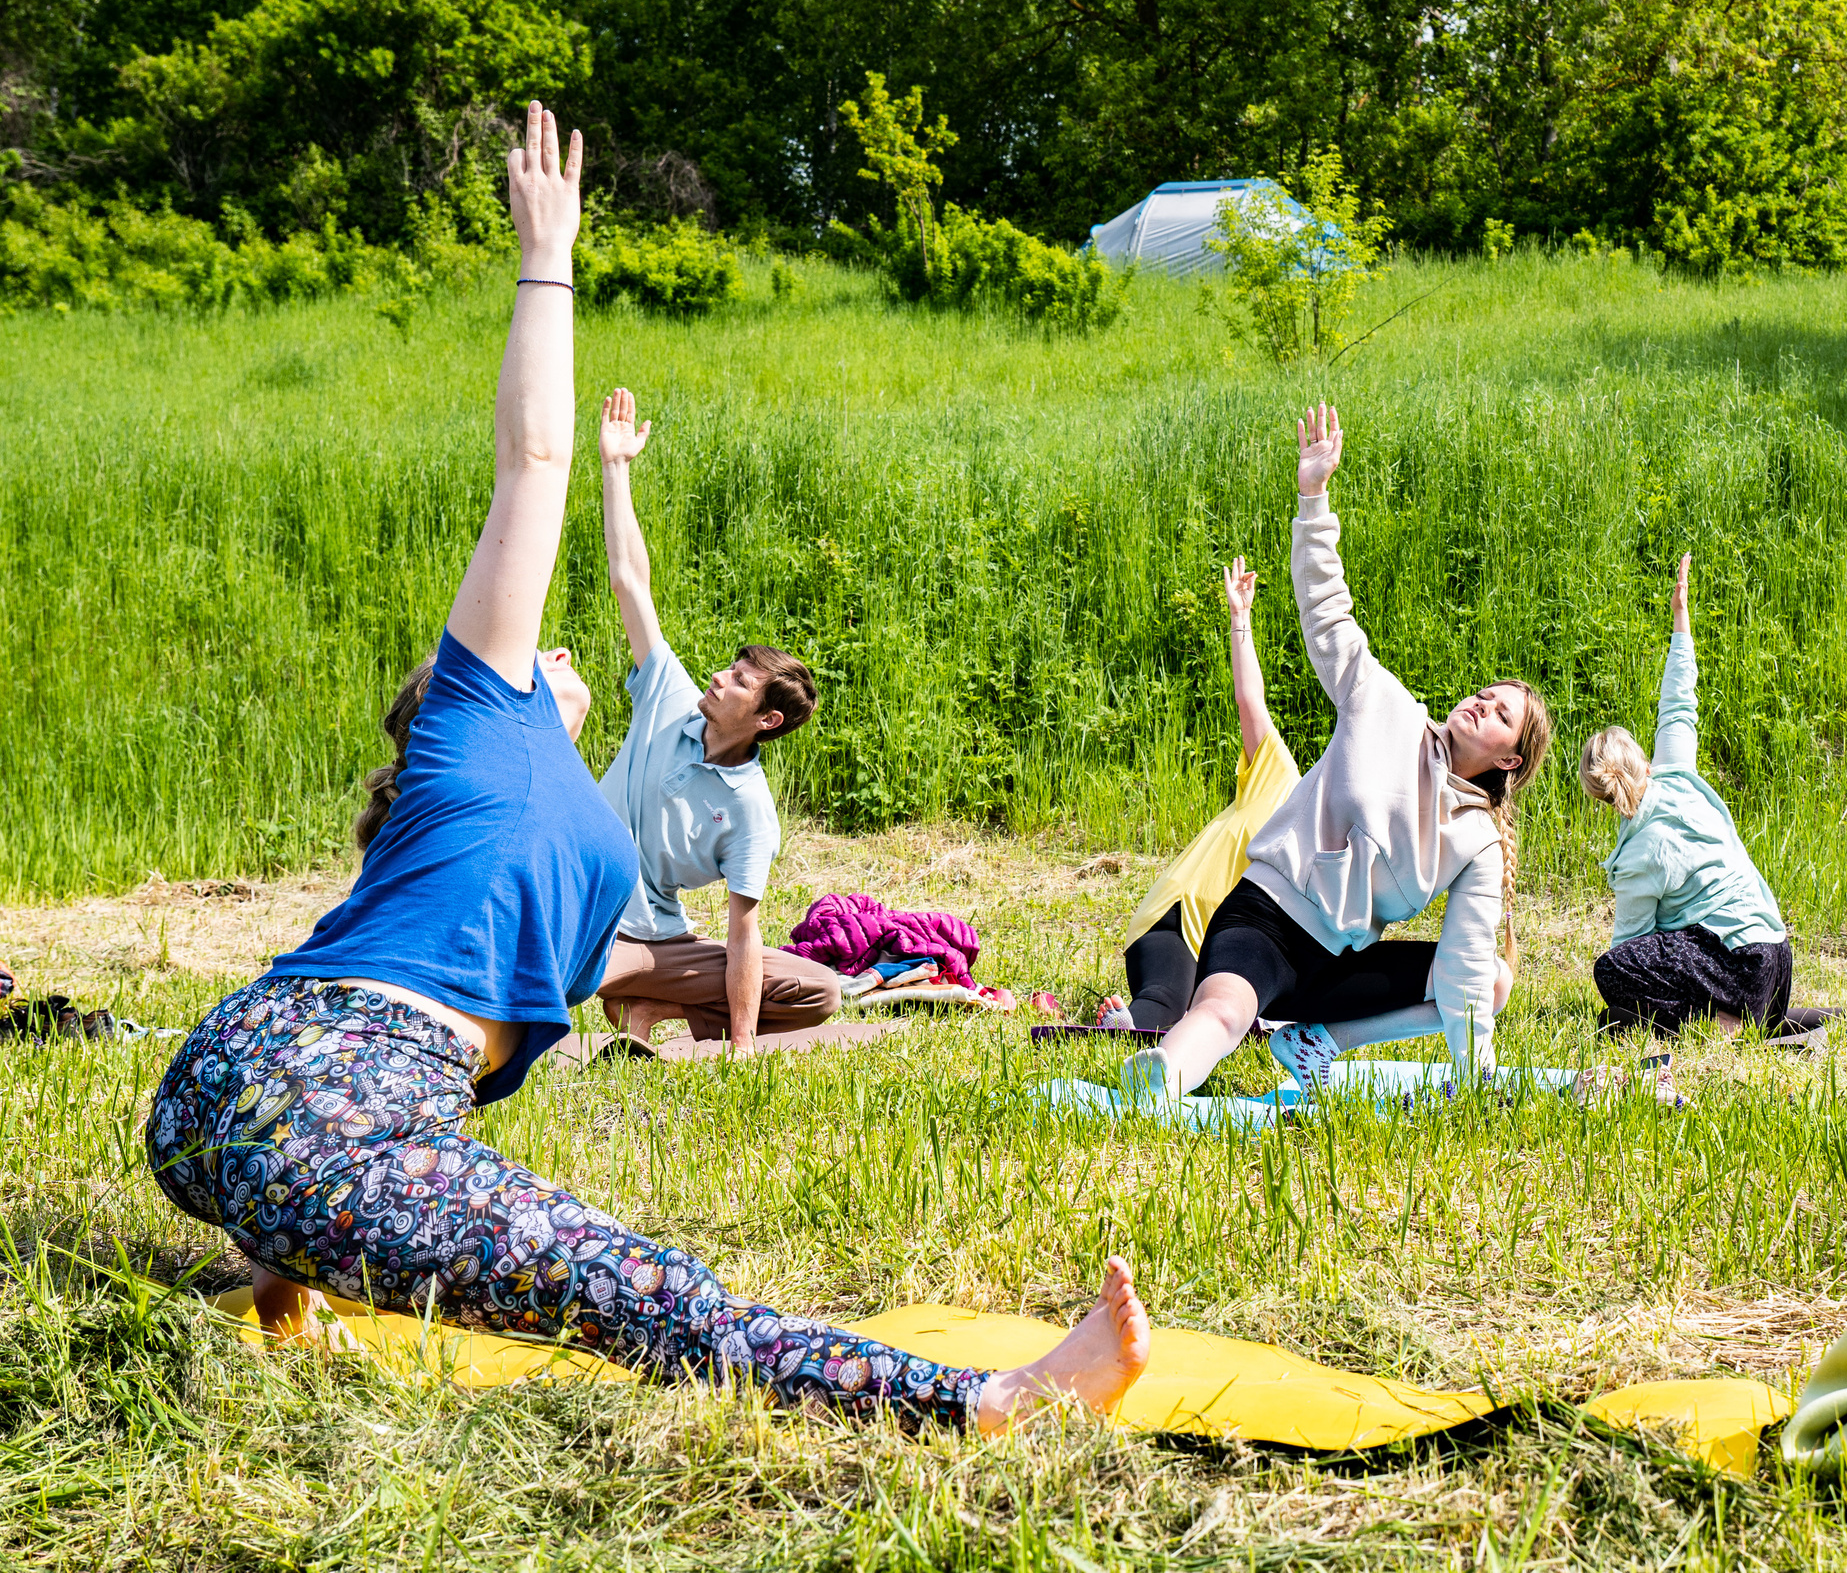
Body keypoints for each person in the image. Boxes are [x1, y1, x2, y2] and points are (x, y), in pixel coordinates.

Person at [144, 102, 1148, 1431]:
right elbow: (533, 463)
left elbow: (383, 1069)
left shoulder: (543, 804)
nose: (552, 648)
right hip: (318, 1082)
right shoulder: (483, 716)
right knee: (643, 1290)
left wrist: (285, 1269)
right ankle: (995, 1397)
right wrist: (547, 260)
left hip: (226, 1083)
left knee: (371, 1171)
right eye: (535, 654)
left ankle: (283, 1275)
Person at [1124, 403, 1552, 1101]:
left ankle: (1318, 1043)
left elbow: (1467, 969)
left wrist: (1474, 1081)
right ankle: (1162, 1078)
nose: (1481, 703)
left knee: (1494, 981)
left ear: (1511, 760)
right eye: (1483, 693)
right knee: (1226, 1011)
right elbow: (1327, 609)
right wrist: (1313, 498)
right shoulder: (1384, 705)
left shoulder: (1475, 839)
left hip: (1339, 963)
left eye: (1501, 714)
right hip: (1264, 918)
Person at [586, 386, 837, 1053]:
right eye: (731, 667)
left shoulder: (751, 810)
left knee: (820, 990)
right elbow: (630, 581)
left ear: (767, 720)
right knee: (533, 977)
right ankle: (606, 993)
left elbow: (742, 932)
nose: (720, 677)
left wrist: (744, 1046)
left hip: (658, 944)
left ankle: (648, 1008)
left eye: (740, 681)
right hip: (583, 919)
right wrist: (616, 468)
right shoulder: (668, 696)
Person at [1579, 552, 1819, 1039]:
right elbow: (1678, 702)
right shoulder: (1678, 775)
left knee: (1612, 971)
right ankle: (1753, 1019)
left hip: (1739, 970)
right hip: (1777, 960)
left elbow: (1630, 951)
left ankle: (1722, 1022)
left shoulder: (1637, 857)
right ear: (1646, 761)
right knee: (1633, 993)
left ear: (1599, 797)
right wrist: (1680, 617)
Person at [1098, 557, 1300, 1031]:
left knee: (1217, 1023)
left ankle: (1153, 1016)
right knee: (1165, 1010)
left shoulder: (1332, 858)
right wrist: (1240, 618)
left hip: (1225, 955)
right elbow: (1250, 700)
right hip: (1177, 918)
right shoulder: (1281, 779)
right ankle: (1128, 1023)